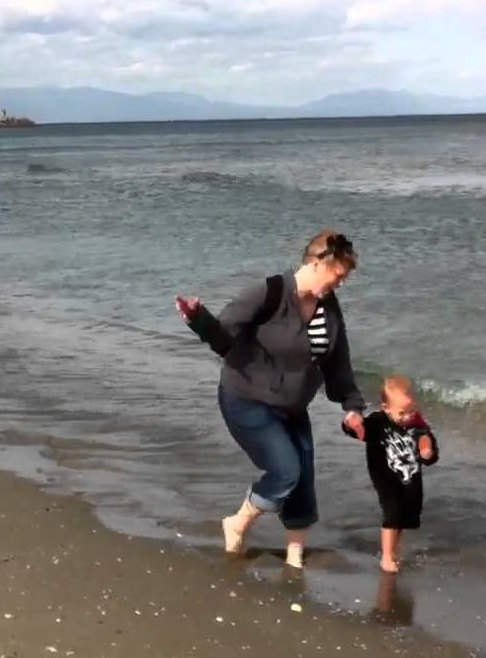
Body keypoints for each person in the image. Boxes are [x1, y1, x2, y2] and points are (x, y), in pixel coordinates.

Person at [175, 229, 365, 568]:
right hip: (246, 399)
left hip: (292, 407)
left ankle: (294, 560)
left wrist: (352, 407)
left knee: (303, 481)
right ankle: (237, 523)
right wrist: (199, 320)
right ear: (319, 263)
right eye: (339, 276)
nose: (341, 284)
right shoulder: (269, 292)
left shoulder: (329, 309)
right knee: (286, 470)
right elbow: (224, 339)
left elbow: (338, 362)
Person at [342, 374, 438, 573]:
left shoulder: (417, 424)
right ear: (386, 408)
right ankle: (386, 557)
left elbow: (426, 439)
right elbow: (360, 431)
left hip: (410, 477)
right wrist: (352, 424)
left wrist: (427, 451)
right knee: (392, 512)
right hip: (385, 477)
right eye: (402, 413)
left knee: (406, 515)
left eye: (412, 411)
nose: (408, 417)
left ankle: (394, 550)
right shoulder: (378, 422)